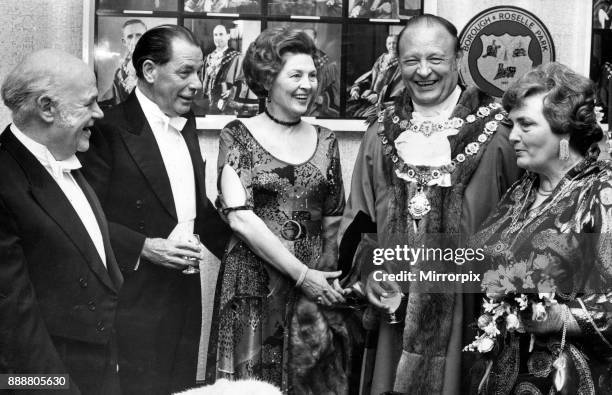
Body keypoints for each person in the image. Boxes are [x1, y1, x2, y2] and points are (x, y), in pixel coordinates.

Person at [337, 14, 521, 395]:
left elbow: (520, 225)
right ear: (397, 64)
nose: (423, 72)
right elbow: (359, 219)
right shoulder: (380, 132)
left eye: (435, 59)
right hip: (393, 314)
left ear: (458, 59)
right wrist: (371, 275)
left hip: (469, 315)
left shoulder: (501, 135)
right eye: (411, 61)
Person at [78, 25, 232, 395]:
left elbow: (195, 207)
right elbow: (83, 216)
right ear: (149, 71)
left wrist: (248, 255)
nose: (197, 83)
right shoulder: (107, 129)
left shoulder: (187, 120)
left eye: (199, 71)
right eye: (185, 72)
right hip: (133, 297)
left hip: (184, 290)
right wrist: (144, 247)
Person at [206, 26, 351, 394]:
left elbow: (333, 219)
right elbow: (239, 217)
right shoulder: (236, 134)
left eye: (313, 75)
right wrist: (303, 275)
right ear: (268, 79)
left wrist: (325, 284)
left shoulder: (327, 140)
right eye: (296, 75)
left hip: (313, 291)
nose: (307, 84)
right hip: (254, 287)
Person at [469, 62, 612, 394]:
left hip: (569, 380)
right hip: (502, 372)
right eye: (512, 124)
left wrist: (561, 317)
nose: (513, 135)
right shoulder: (523, 188)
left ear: (564, 130)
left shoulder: (602, 190)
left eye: (526, 125)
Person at [0, 49, 122, 394]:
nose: (99, 113)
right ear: (47, 107)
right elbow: (13, 320)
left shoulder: (68, 157)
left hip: (98, 371)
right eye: (88, 104)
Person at [347, 34, 399, 118]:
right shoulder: (381, 60)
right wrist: (357, 88)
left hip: (386, 102)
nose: (392, 46)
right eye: (389, 43)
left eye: (394, 43)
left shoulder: (402, 65)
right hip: (370, 99)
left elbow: (399, 89)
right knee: (351, 112)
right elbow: (369, 78)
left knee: (365, 117)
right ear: (386, 45)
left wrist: (379, 97)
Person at [102, 19, 147, 108]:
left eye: (139, 35)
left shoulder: (159, 66)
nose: (135, 41)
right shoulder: (119, 74)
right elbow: (113, 101)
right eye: (130, 37)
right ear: (124, 42)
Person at [202, 25, 241, 114]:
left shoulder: (236, 57)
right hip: (209, 106)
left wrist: (232, 91)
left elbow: (244, 81)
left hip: (227, 106)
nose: (218, 37)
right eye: (215, 35)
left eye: (221, 34)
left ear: (228, 36)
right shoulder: (208, 58)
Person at [303, 28, 340, 117]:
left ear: (315, 41)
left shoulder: (329, 65)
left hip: (318, 114)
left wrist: (323, 99)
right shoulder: (295, 61)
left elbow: (337, 93)